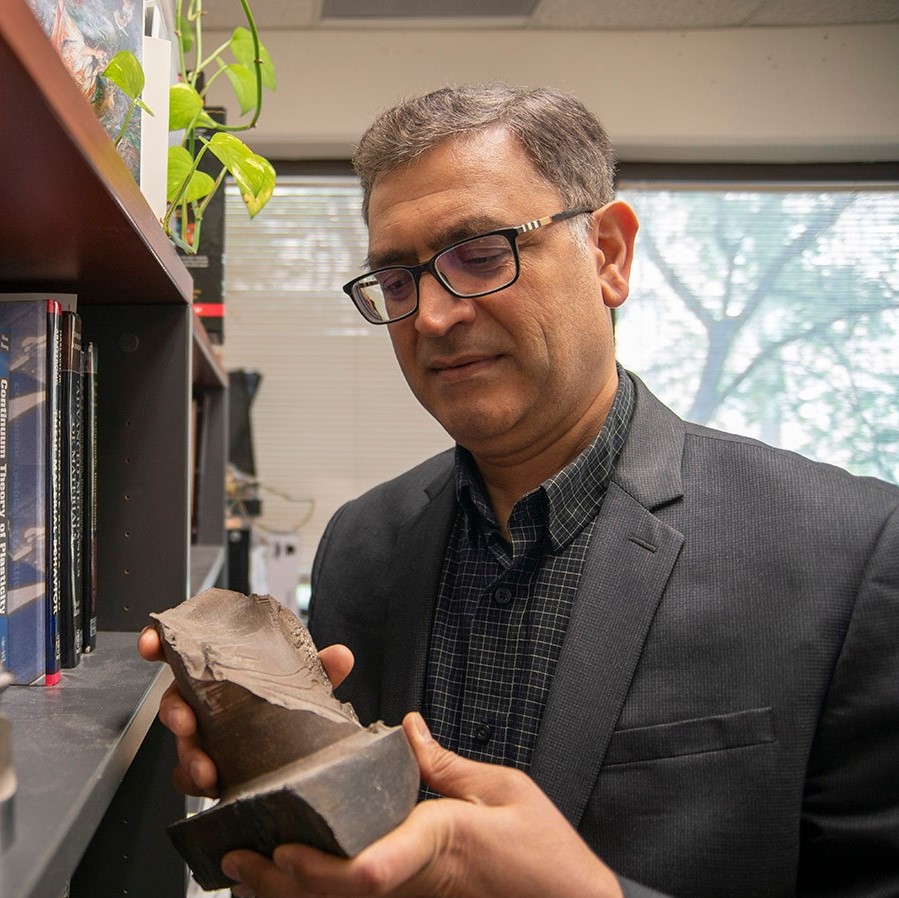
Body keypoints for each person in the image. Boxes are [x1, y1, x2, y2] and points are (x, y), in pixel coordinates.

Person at [140, 83, 899, 897]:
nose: (430, 318)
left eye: (479, 254)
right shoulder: (363, 543)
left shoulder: (849, 554)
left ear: (607, 254)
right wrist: (270, 781)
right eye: (396, 280)